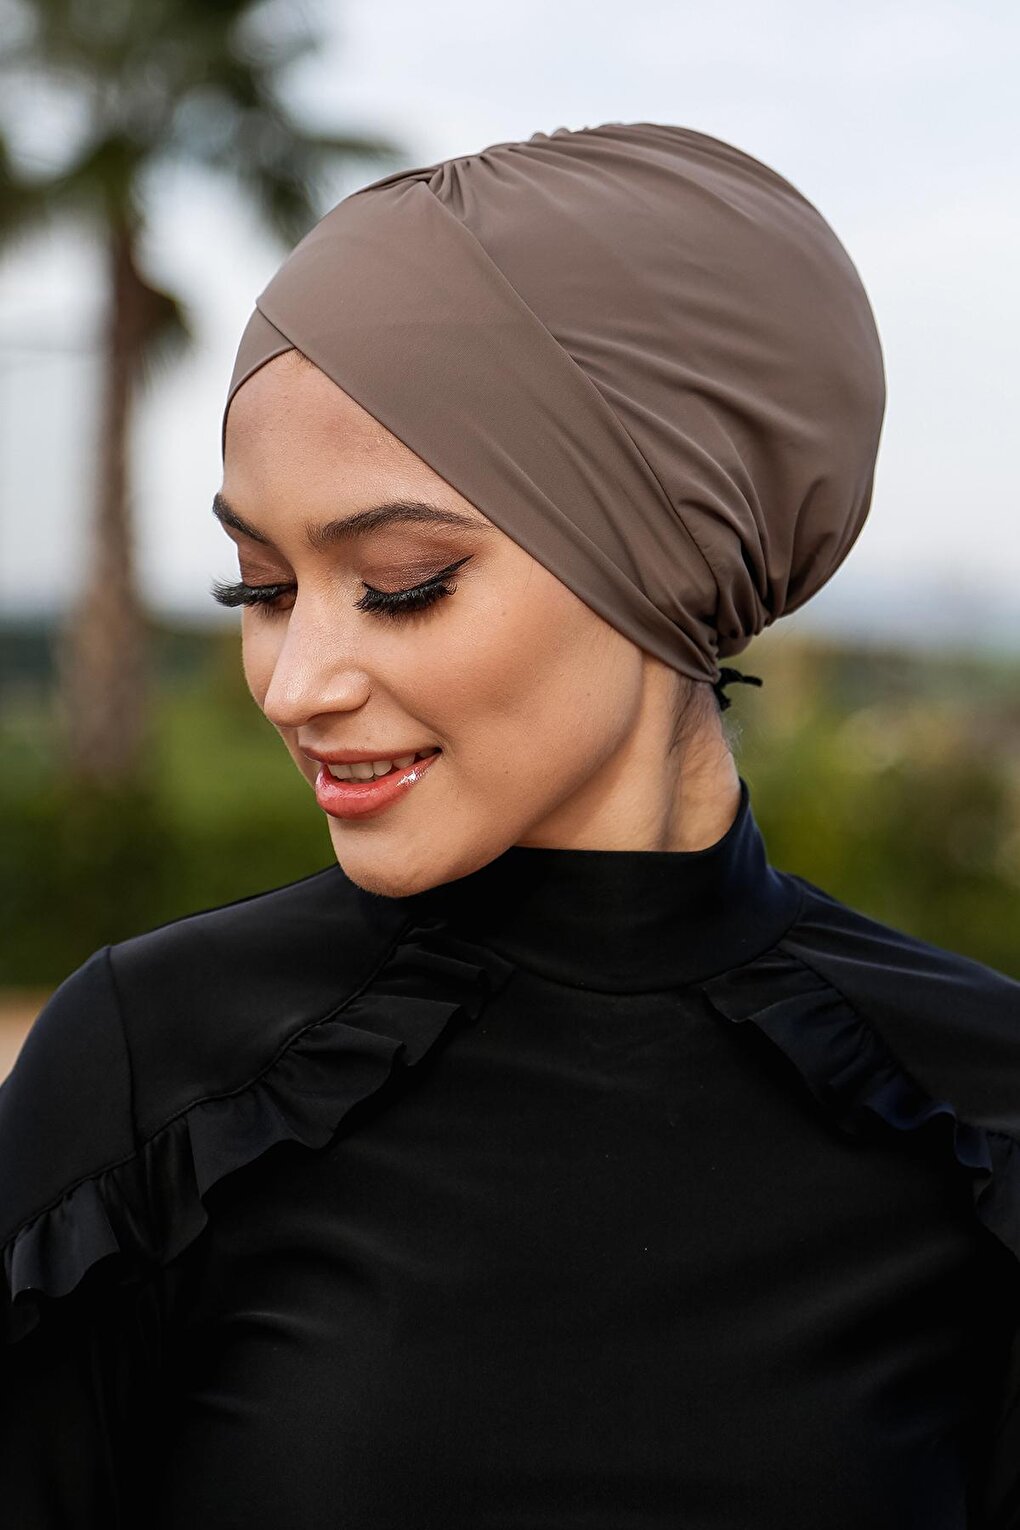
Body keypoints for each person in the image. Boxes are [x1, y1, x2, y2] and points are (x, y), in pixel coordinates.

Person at [1, 121, 1017, 1529]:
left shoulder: (979, 1115)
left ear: (667, 550)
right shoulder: (152, 1081)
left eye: (401, 582)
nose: (295, 685)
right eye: (261, 589)